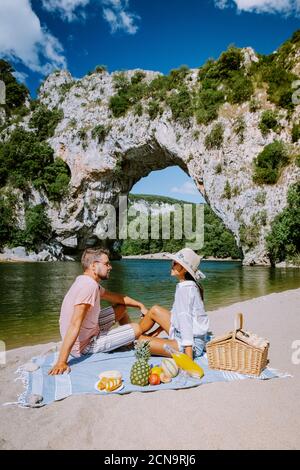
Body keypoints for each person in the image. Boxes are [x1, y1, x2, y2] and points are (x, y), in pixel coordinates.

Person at [48, 248, 145, 375]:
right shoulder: (89, 286)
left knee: (121, 307)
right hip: (84, 346)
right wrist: (61, 361)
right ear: (94, 266)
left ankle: (127, 342)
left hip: (88, 331)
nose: (110, 267)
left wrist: (140, 305)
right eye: (106, 264)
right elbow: (74, 324)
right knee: (137, 328)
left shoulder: (85, 281)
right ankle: (128, 340)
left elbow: (117, 297)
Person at [138, 248, 209, 359]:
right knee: (154, 310)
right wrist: (156, 332)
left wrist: (188, 358)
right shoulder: (186, 285)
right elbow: (175, 315)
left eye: (175, 263)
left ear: (184, 269)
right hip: (179, 332)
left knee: (140, 343)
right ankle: (133, 333)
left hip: (190, 345)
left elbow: (186, 322)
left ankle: (134, 337)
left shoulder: (186, 289)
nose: (172, 265)